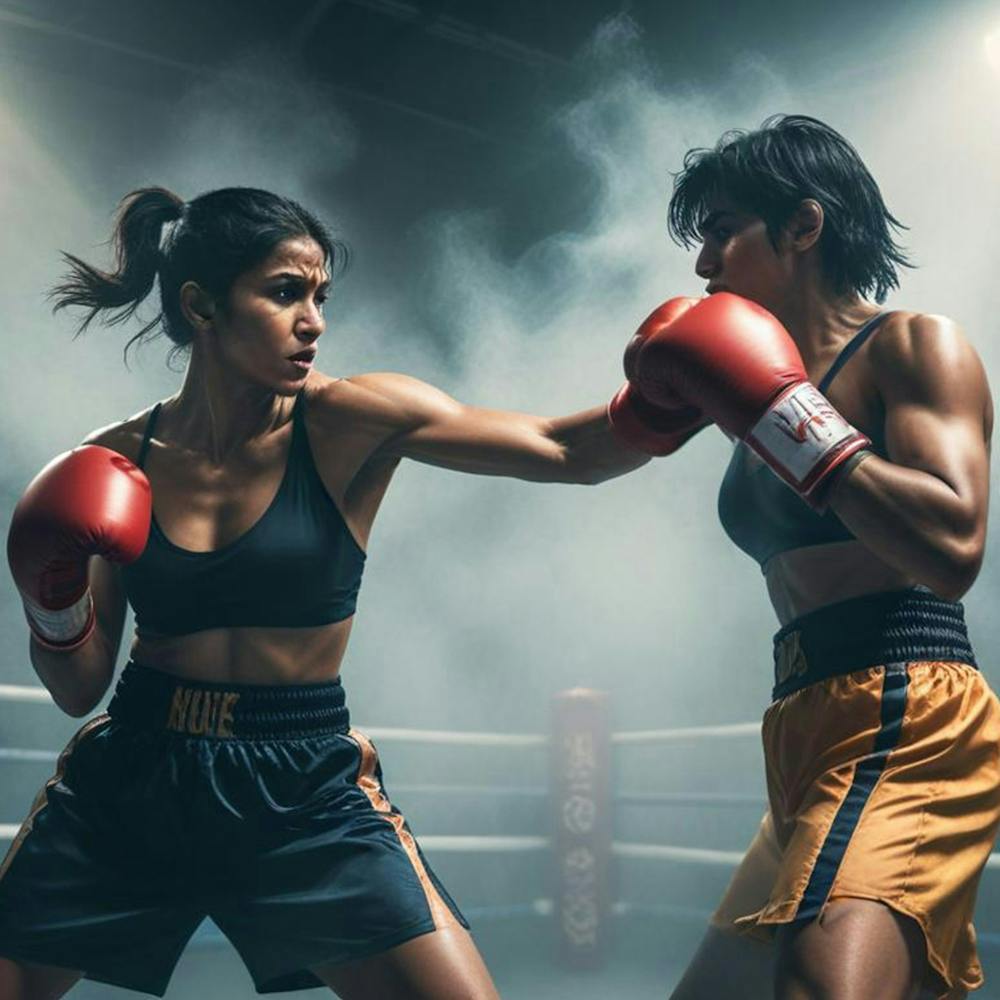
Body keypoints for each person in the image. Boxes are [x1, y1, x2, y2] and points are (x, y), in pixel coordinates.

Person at [0, 185, 669, 1000]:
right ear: (201, 306)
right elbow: (78, 687)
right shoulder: (116, 460)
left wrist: (680, 396)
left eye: (320, 296)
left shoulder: (351, 418)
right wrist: (54, 599)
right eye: (286, 292)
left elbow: (566, 449)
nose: (313, 321)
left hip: (301, 785)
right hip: (137, 778)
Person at [617, 115, 999, 1000]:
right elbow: (574, 450)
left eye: (722, 232)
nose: (702, 265)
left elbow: (954, 547)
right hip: (804, 722)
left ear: (803, 225)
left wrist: (788, 417)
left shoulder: (912, 345)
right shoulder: (749, 384)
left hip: (905, 708)